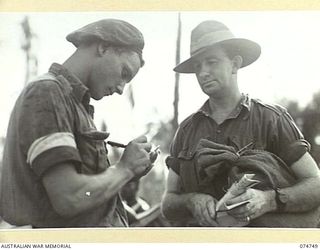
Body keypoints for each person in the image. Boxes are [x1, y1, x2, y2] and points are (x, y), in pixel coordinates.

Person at [0, 19, 158, 228]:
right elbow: (69, 197)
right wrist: (124, 169)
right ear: (104, 47)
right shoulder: (48, 92)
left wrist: (128, 172)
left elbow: (83, 196)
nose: (121, 88)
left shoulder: (72, 103)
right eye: (124, 73)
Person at [161, 20, 320, 227]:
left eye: (212, 62)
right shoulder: (187, 130)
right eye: (197, 66)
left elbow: (315, 184)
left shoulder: (270, 119)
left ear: (235, 64)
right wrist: (191, 201)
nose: (202, 73)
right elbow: (168, 203)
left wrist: (268, 200)